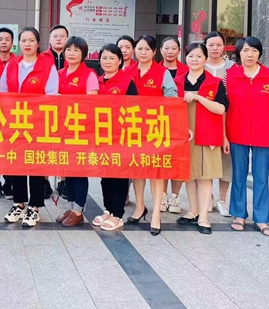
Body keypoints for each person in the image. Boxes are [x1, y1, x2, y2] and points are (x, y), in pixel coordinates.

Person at [0, 27, 59, 227]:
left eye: (31, 40)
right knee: (16, 164)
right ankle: (19, 203)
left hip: (38, 123)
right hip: (15, 123)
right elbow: (3, 91)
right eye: (23, 40)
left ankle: (34, 207)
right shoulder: (12, 64)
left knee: (35, 164)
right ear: (19, 43)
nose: (27, 44)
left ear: (37, 43)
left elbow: (51, 95)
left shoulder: (47, 65)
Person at [226, 37, 269, 236]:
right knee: (239, 175)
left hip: (265, 134)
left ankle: (261, 218)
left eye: (253, 50)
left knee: (261, 177)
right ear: (238, 53)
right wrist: (224, 136)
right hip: (236, 132)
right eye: (245, 51)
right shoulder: (229, 76)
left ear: (260, 53)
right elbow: (224, 107)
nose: (249, 54)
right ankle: (239, 215)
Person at [174, 43, 228, 235]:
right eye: (191, 56)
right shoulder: (177, 81)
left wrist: (198, 98)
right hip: (184, 134)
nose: (194, 59)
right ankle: (194, 210)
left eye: (199, 56)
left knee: (205, 177)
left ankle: (204, 216)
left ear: (205, 59)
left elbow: (221, 108)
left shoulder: (215, 82)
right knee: (189, 175)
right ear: (185, 58)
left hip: (207, 134)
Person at [127, 35, 178, 235]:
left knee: (156, 170)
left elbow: (172, 98)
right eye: (139, 48)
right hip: (133, 127)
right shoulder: (128, 71)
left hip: (156, 128)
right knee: (137, 169)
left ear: (154, 52)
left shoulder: (162, 72)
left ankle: (156, 213)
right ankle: (140, 207)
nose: (143, 52)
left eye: (147, 49)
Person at [93, 43, 137, 231]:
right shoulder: (97, 81)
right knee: (105, 175)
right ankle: (108, 209)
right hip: (101, 136)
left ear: (120, 61)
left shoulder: (127, 81)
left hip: (121, 136)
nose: (108, 61)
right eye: (104, 58)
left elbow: (135, 108)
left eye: (112, 58)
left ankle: (118, 214)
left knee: (119, 175)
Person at [55, 36, 99, 227]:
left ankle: (79, 210)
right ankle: (71, 206)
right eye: (68, 50)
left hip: (81, 130)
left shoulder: (89, 74)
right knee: (68, 169)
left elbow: (92, 102)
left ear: (83, 54)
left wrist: (65, 100)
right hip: (61, 128)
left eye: (76, 50)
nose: (71, 53)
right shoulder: (59, 73)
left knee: (79, 170)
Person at [204, 31, 236, 217]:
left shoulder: (233, 68)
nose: (214, 48)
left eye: (218, 45)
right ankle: (208, 197)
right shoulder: (198, 64)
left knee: (226, 160)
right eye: (211, 45)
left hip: (229, 117)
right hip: (204, 119)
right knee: (206, 159)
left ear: (224, 46)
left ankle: (222, 199)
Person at [159, 36, 188, 214]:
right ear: (160, 51)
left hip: (181, 119)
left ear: (179, 50)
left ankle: (175, 196)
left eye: (173, 48)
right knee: (162, 159)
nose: (170, 52)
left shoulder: (187, 70)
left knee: (178, 160)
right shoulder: (155, 70)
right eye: (166, 48)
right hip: (159, 120)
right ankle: (162, 196)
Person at [41, 24, 68, 198]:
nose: (58, 39)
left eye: (62, 36)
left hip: (67, 110)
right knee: (46, 144)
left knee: (63, 144)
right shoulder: (42, 57)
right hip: (46, 108)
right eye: (55, 36)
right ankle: (44, 181)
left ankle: (63, 181)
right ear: (49, 39)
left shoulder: (73, 56)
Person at [0, 27, 15, 200]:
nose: (4, 42)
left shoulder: (18, 63)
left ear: (12, 43)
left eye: (7, 39)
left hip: (13, 112)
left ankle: (8, 184)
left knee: (10, 149)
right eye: (0, 39)